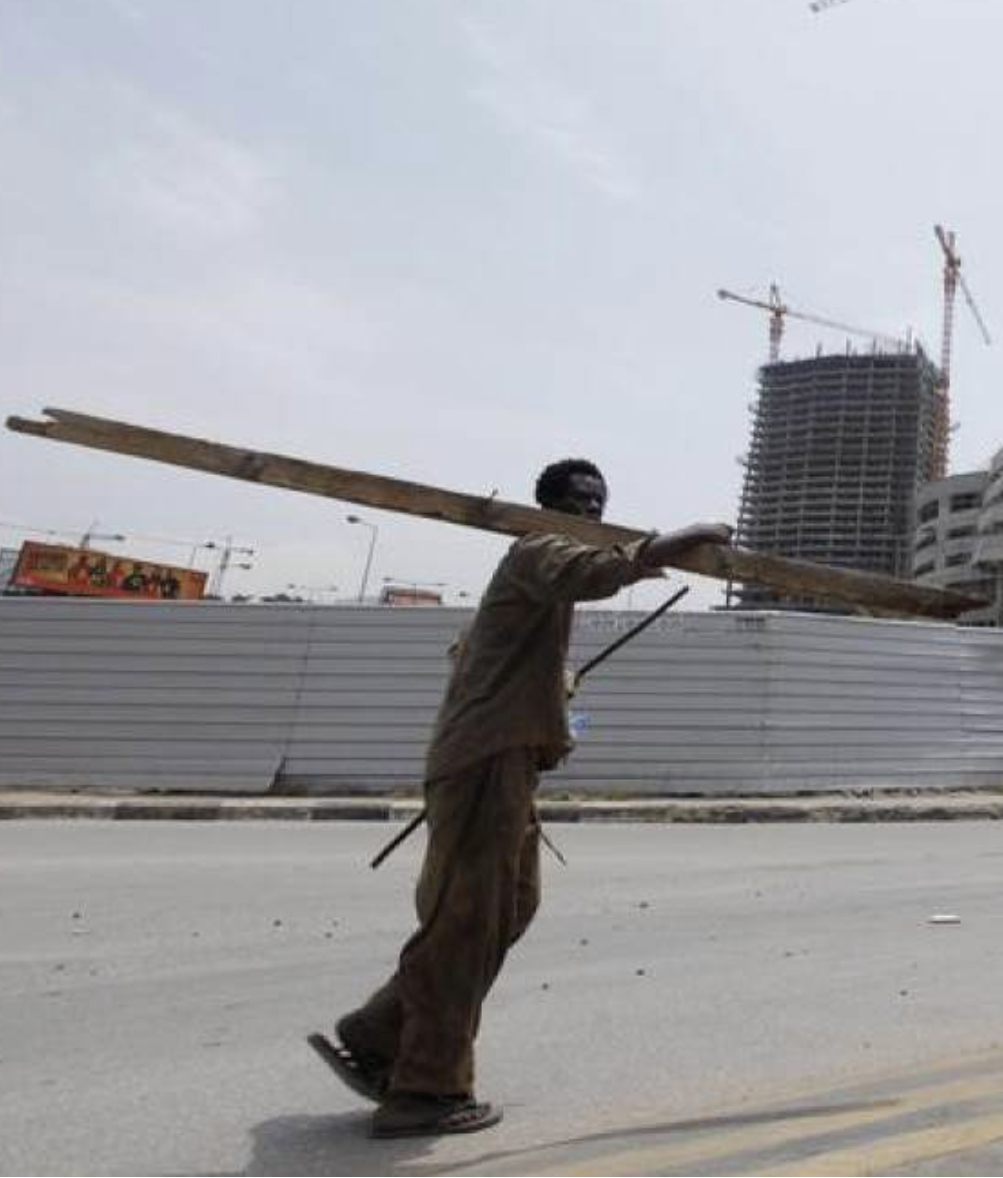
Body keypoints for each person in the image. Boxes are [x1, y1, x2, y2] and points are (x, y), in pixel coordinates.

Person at [309, 458, 731, 1138]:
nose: (588, 513)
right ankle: (425, 1088)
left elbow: (471, 653)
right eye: (576, 502)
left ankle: (380, 1029)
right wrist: (666, 546)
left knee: (510, 906)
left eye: (598, 503)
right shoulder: (538, 551)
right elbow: (585, 572)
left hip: (498, 764)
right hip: (484, 762)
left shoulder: (534, 592)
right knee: (467, 923)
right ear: (549, 506)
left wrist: (552, 682)